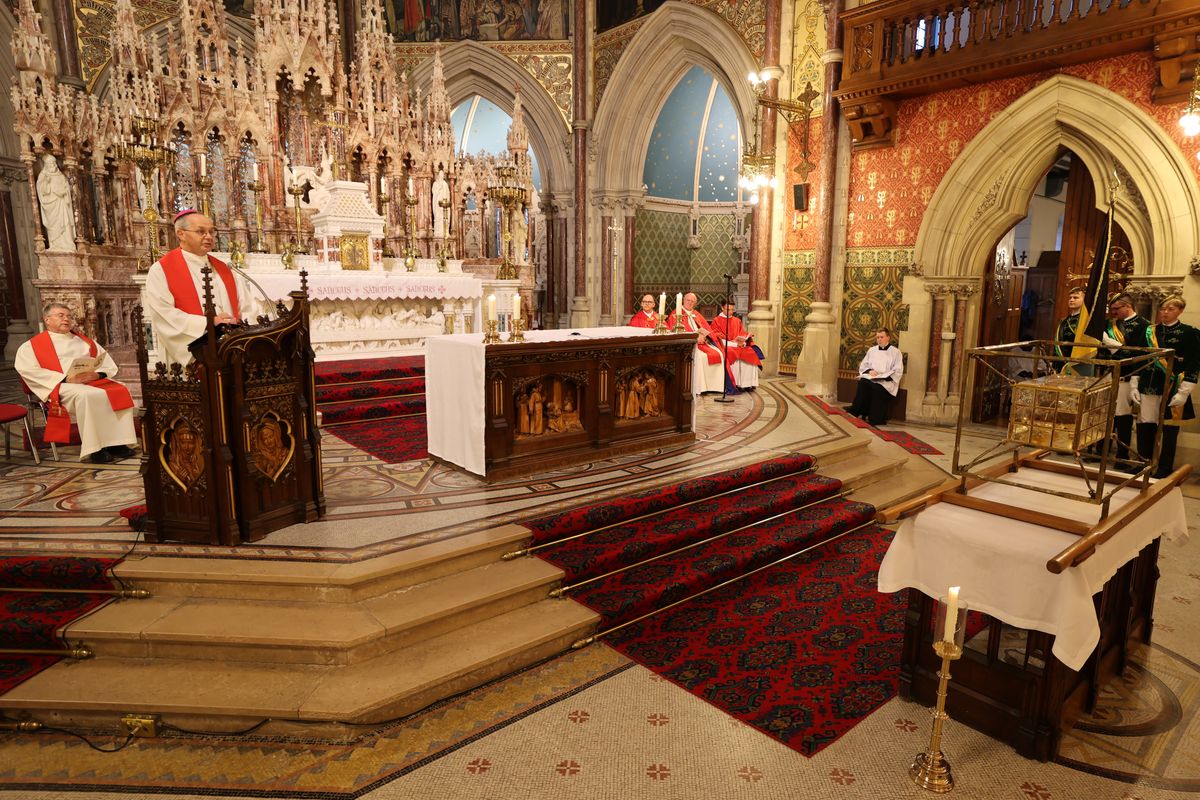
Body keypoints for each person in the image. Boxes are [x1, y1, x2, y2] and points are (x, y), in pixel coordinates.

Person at [15, 303, 137, 464]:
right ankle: (96, 448)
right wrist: (66, 379)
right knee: (89, 396)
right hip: (61, 385)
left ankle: (118, 443)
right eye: (61, 315)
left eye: (69, 316)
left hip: (90, 381)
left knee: (120, 389)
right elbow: (27, 370)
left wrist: (97, 374)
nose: (66, 319)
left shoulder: (84, 341)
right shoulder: (32, 346)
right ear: (47, 320)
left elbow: (105, 361)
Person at [144, 210, 253, 366]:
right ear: (181, 234)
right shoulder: (162, 269)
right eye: (201, 232)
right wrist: (209, 323)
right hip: (192, 357)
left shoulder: (224, 269)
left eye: (211, 232)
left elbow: (246, 305)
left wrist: (239, 324)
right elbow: (164, 314)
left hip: (230, 351)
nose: (208, 237)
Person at [1130, 296, 1198, 478]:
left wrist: (1185, 391)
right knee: (1145, 425)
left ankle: (1165, 467)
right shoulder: (1148, 332)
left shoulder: (1189, 333)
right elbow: (1138, 359)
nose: (1165, 313)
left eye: (1170, 309)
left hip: (1173, 386)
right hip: (1148, 384)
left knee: (1169, 429)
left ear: (1180, 311)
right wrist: (1134, 384)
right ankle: (1144, 462)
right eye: (1163, 309)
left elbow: (1194, 363)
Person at [1102, 293, 1151, 462]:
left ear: (1127, 306)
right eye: (1112, 309)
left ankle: (1122, 455)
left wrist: (1113, 346)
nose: (1113, 313)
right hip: (1108, 372)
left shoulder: (1144, 325)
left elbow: (1139, 353)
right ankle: (1102, 450)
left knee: (1122, 416)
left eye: (1116, 309)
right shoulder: (1111, 324)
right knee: (1104, 413)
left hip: (1128, 375)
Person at [666, 292, 727, 394]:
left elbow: (708, 329)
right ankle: (702, 387)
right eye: (688, 300)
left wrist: (706, 338)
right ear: (683, 301)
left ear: (695, 303)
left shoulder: (697, 314)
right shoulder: (675, 314)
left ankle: (716, 387)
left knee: (719, 353)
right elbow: (675, 332)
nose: (690, 303)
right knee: (700, 356)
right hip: (690, 344)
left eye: (692, 301)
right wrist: (695, 339)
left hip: (702, 342)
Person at [847, 328, 904, 426]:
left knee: (877, 389)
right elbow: (863, 366)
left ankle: (875, 418)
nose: (879, 339)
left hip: (886, 383)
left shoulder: (896, 352)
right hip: (872, 379)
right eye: (877, 337)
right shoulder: (872, 350)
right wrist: (870, 371)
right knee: (863, 382)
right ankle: (855, 411)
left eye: (882, 337)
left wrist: (883, 376)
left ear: (888, 338)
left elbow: (898, 370)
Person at [709, 300, 763, 390]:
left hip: (738, 345)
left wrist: (743, 341)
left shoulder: (737, 320)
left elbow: (742, 333)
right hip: (726, 345)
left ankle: (747, 383)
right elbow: (716, 337)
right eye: (728, 309)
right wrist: (732, 343)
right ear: (722, 308)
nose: (730, 312)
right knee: (732, 353)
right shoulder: (716, 321)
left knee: (751, 351)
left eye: (732, 310)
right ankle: (736, 383)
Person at [36, 154, 76, 252]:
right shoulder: (43, 175)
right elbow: (41, 190)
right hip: (51, 206)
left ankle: (67, 244)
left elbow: (67, 188)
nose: (52, 166)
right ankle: (55, 244)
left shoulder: (60, 175)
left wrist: (64, 193)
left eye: (53, 164)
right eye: (50, 164)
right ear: (46, 165)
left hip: (61, 203)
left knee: (65, 224)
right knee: (53, 226)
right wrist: (46, 183)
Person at [1054, 288, 1093, 376]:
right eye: (1070, 297)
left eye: (1075, 298)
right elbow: (1057, 343)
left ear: (1085, 300)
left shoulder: (1087, 321)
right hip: (1062, 361)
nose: (1071, 300)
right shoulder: (1064, 320)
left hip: (1080, 362)